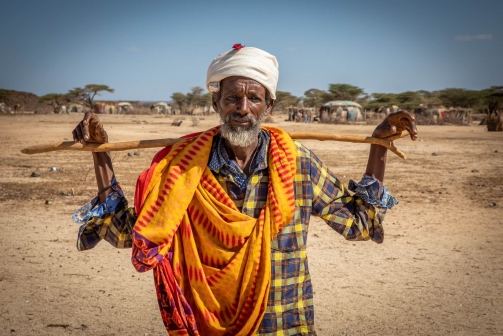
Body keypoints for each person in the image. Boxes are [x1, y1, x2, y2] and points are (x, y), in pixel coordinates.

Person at [71, 45, 417, 335]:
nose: (242, 107)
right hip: (208, 326)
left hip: (285, 323)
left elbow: (358, 223)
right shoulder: (182, 170)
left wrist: (379, 147)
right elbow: (129, 234)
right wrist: (100, 155)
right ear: (216, 104)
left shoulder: (299, 165)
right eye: (232, 97)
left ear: (269, 106)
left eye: (254, 97)